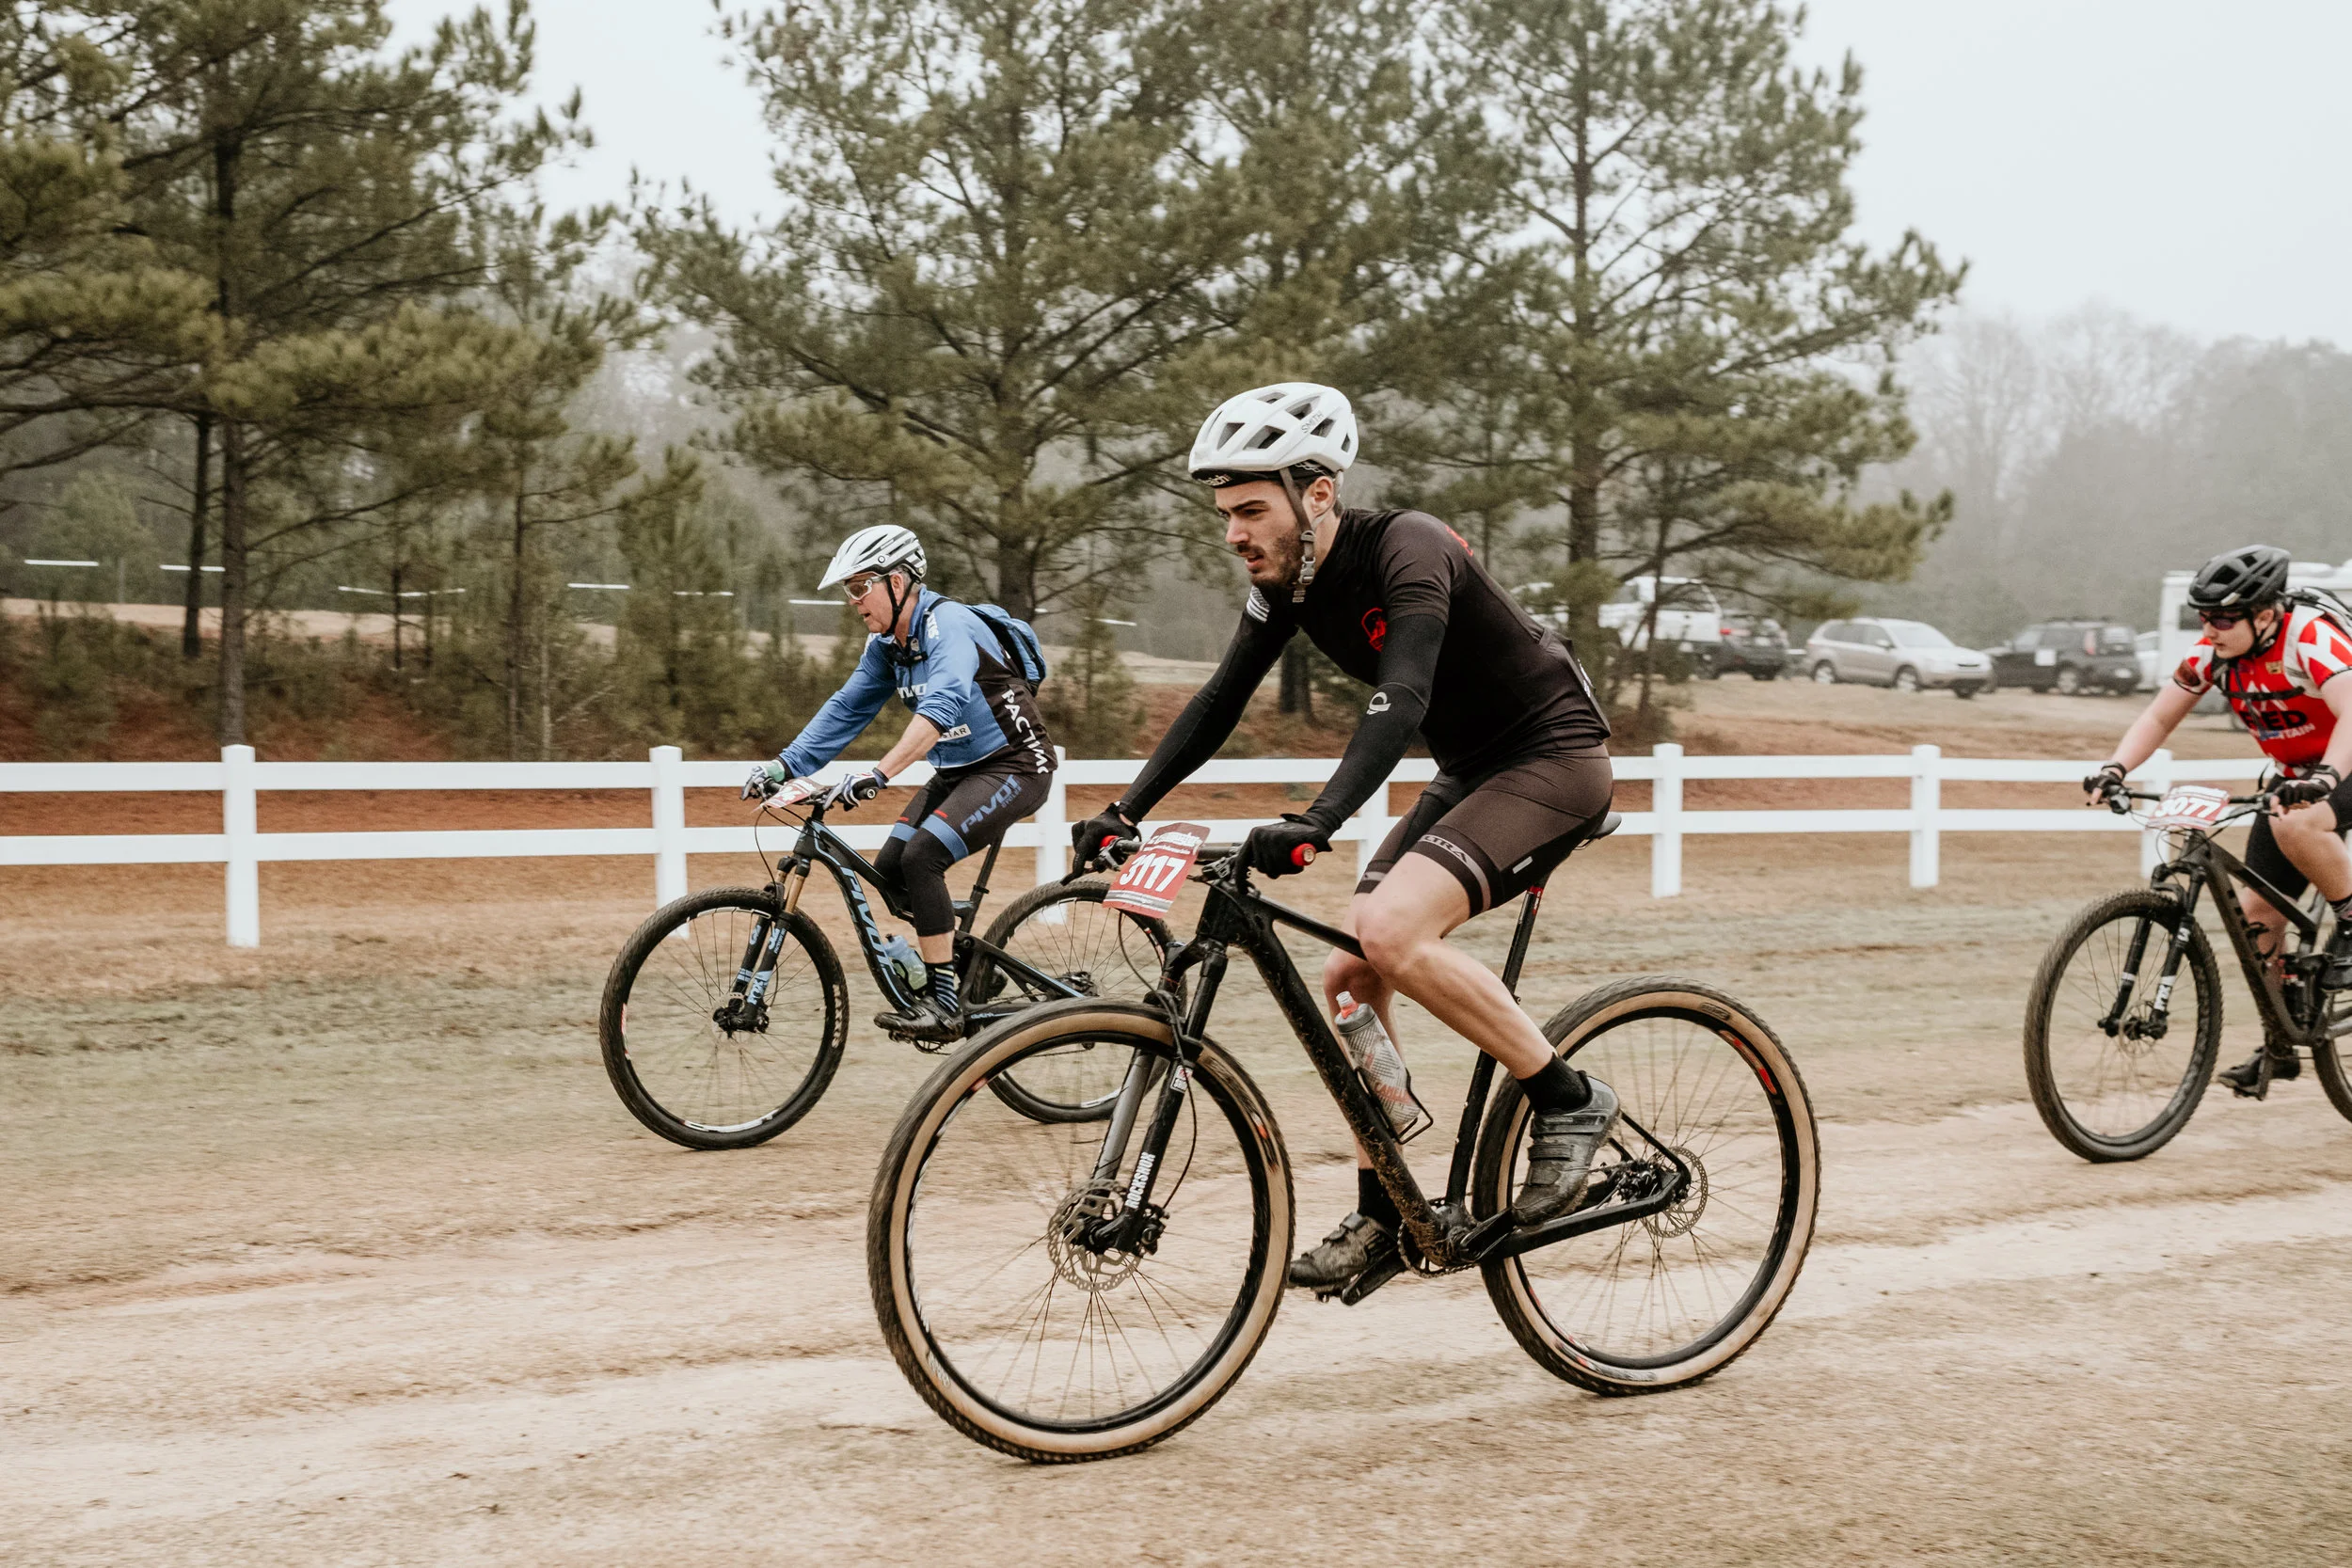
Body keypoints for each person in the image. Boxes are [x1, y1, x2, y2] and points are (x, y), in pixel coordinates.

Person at [1071, 382, 1617, 1295]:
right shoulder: (1286, 585)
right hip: (1472, 769)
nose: (1234, 533)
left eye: (1252, 509)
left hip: (1552, 758)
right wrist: (1126, 808)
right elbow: (1218, 700)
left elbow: (1401, 696)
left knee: (1393, 930)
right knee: (1351, 973)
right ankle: (1388, 1209)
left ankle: (1568, 1097)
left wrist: (1318, 820)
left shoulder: (1411, 547)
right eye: (1225, 514)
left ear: (1317, 494)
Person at [745, 525, 1055, 1039]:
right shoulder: (888, 645)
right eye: (848, 590)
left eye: (859, 586)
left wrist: (879, 773)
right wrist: (785, 765)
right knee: (890, 869)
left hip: (1017, 765)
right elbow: (847, 707)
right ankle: (965, 966)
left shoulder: (948, 624)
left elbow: (944, 703)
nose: (853, 601)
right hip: (959, 771)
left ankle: (946, 1005)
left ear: (896, 581)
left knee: (922, 857)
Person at [2084, 544, 2352, 1094]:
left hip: (2341, 764)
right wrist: (2115, 767)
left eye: (2224, 618)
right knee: (2257, 918)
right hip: (2295, 775)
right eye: (2203, 617)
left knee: (2299, 823)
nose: (2210, 628)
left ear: (2266, 614)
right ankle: (2280, 1046)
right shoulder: (2212, 653)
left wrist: (2326, 778)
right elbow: (2159, 716)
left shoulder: (2309, 637)